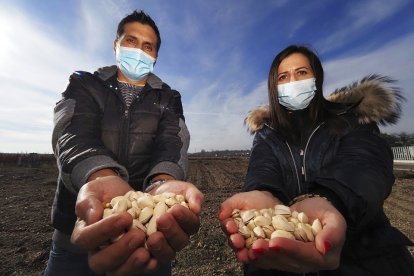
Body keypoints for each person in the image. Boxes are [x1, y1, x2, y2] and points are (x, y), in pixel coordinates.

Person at [219, 45, 414, 275]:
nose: (293, 81)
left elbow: (364, 162)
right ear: (274, 86)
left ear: (317, 78)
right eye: (283, 77)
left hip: (366, 259)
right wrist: (263, 192)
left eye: (301, 73)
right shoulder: (268, 132)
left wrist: (330, 199)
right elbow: (263, 167)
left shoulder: (350, 118)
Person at [45, 10, 203, 276]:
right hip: (76, 231)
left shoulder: (168, 97)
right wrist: (99, 176)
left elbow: (172, 143)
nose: (138, 51)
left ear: (155, 56)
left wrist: (162, 184)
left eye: (147, 46)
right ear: (116, 45)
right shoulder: (84, 83)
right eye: (131, 41)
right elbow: (72, 133)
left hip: (147, 236)